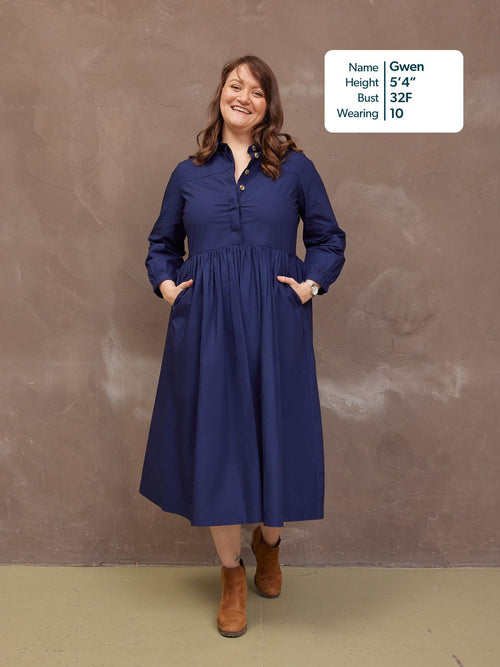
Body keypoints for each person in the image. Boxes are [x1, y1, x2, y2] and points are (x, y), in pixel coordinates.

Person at [139, 54, 346, 637]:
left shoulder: (295, 168)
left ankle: (269, 544)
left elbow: (328, 238)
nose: (244, 97)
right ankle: (232, 574)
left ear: (268, 105)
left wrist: (309, 285)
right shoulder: (188, 174)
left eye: (256, 91)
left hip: (276, 319)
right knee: (218, 440)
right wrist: (169, 288)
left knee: (277, 431)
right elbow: (161, 245)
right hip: (206, 323)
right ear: (220, 95)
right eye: (236, 86)